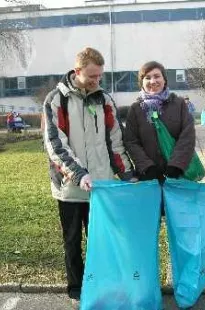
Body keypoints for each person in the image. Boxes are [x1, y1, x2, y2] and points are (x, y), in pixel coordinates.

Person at [43, 47, 133, 304]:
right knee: (72, 241)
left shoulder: (104, 99)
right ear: (77, 70)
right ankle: (76, 289)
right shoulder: (55, 100)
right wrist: (79, 174)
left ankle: (101, 285)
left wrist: (127, 174)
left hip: (101, 187)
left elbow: (116, 141)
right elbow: (55, 144)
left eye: (100, 77)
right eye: (92, 76)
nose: (96, 81)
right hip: (70, 188)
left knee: (100, 240)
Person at [124, 60, 195, 185]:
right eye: (147, 78)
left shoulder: (179, 104)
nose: (153, 81)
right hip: (148, 177)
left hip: (177, 175)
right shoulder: (136, 109)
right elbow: (131, 141)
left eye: (157, 76)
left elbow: (187, 137)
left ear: (164, 80)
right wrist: (147, 167)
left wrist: (176, 165)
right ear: (142, 83)